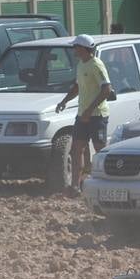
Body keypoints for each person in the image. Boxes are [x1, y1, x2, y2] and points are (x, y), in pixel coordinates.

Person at [55, 35, 112, 194]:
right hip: (82, 116)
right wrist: (64, 101)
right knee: (76, 149)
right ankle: (76, 186)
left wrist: (89, 110)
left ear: (82, 48)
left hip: (97, 116)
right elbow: (77, 86)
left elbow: (106, 89)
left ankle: (104, 184)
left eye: (75, 47)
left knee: (100, 151)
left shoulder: (96, 65)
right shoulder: (81, 65)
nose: (74, 50)